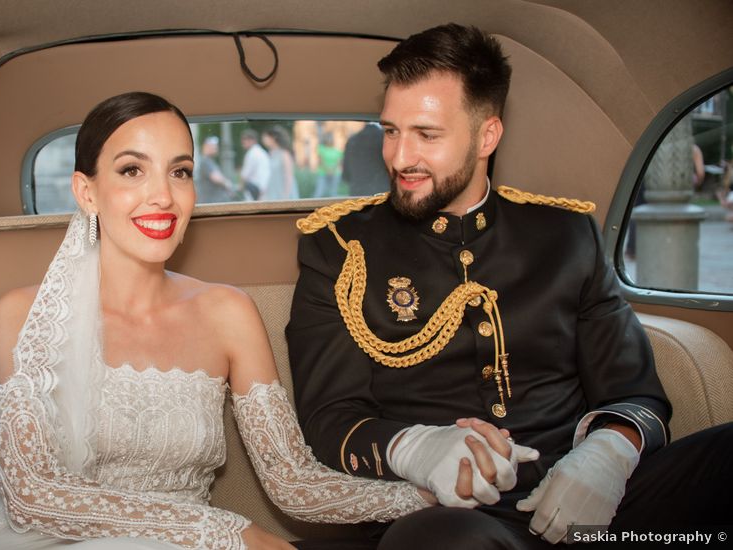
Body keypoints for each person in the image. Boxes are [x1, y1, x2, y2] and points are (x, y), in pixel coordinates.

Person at [287, 24, 733, 549]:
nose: (400, 156)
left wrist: (608, 455)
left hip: (592, 509)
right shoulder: (340, 248)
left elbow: (635, 393)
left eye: (426, 135)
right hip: (446, 515)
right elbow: (328, 417)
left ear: (487, 136)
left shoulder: (566, 235)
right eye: (390, 131)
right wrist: (417, 447)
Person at [0, 92, 445, 550]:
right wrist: (225, 531)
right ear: (86, 191)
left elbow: (293, 482)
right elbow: (32, 497)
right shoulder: (24, 315)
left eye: (179, 172)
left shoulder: (228, 313)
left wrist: (429, 493)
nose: (163, 195)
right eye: (132, 170)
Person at [342, 123, 388, 197]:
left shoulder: (352, 140)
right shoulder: (386, 139)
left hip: (357, 194)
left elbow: (346, 174)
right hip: (382, 194)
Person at [262, 126, 299, 201]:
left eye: (266, 137)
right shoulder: (271, 154)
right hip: (272, 192)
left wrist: (285, 196)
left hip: (284, 193)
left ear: (273, 138)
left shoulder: (284, 154)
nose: (264, 140)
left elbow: (289, 176)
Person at [195, 135, 234, 203]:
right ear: (206, 146)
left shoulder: (208, 161)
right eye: (213, 146)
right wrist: (227, 184)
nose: (216, 148)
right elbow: (216, 178)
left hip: (213, 202)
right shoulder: (205, 161)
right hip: (211, 203)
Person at [240, 129, 270, 200]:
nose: (242, 143)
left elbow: (245, 175)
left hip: (254, 191)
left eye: (244, 140)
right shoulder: (262, 152)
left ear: (251, 140)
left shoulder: (251, 153)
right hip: (264, 189)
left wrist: (241, 187)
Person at [313, 133, 343, 198]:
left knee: (333, 193)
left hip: (335, 173)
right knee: (319, 192)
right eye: (328, 138)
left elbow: (339, 162)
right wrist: (328, 170)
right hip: (323, 173)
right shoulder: (321, 148)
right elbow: (321, 160)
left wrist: (332, 170)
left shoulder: (337, 150)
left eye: (331, 138)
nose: (329, 139)